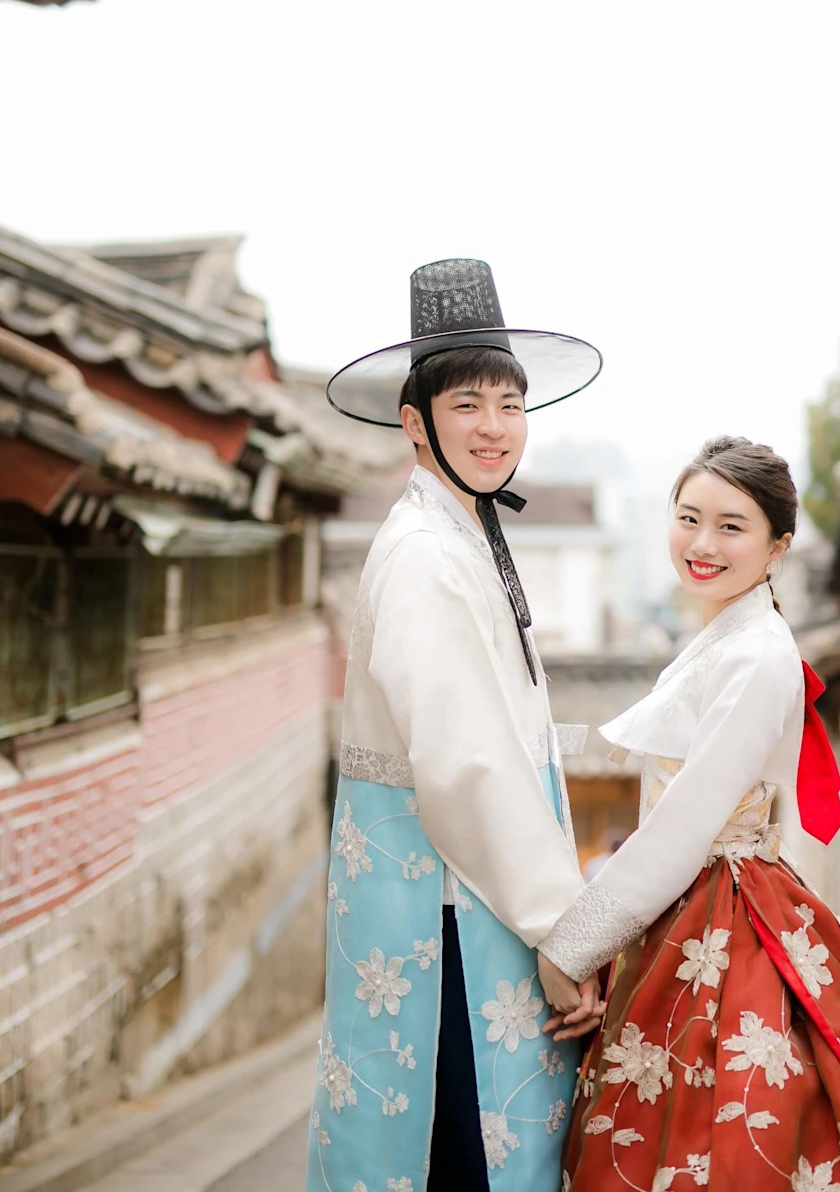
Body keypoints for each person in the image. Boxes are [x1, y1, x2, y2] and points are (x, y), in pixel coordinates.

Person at [540, 437, 840, 1192]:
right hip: (694, 902)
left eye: (732, 527)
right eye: (688, 518)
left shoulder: (755, 655)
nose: (702, 543)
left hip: (719, 907)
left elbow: (687, 825)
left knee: (720, 1133)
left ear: (777, 545)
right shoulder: (723, 637)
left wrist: (571, 947)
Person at [308, 259, 607, 1192]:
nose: (494, 428)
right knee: (456, 1151)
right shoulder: (429, 556)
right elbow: (468, 765)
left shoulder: (459, 530)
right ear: (416, 421)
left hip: (461, 898)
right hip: (447, 919)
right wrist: (564, 934)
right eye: (468, 404)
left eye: (510, 405)